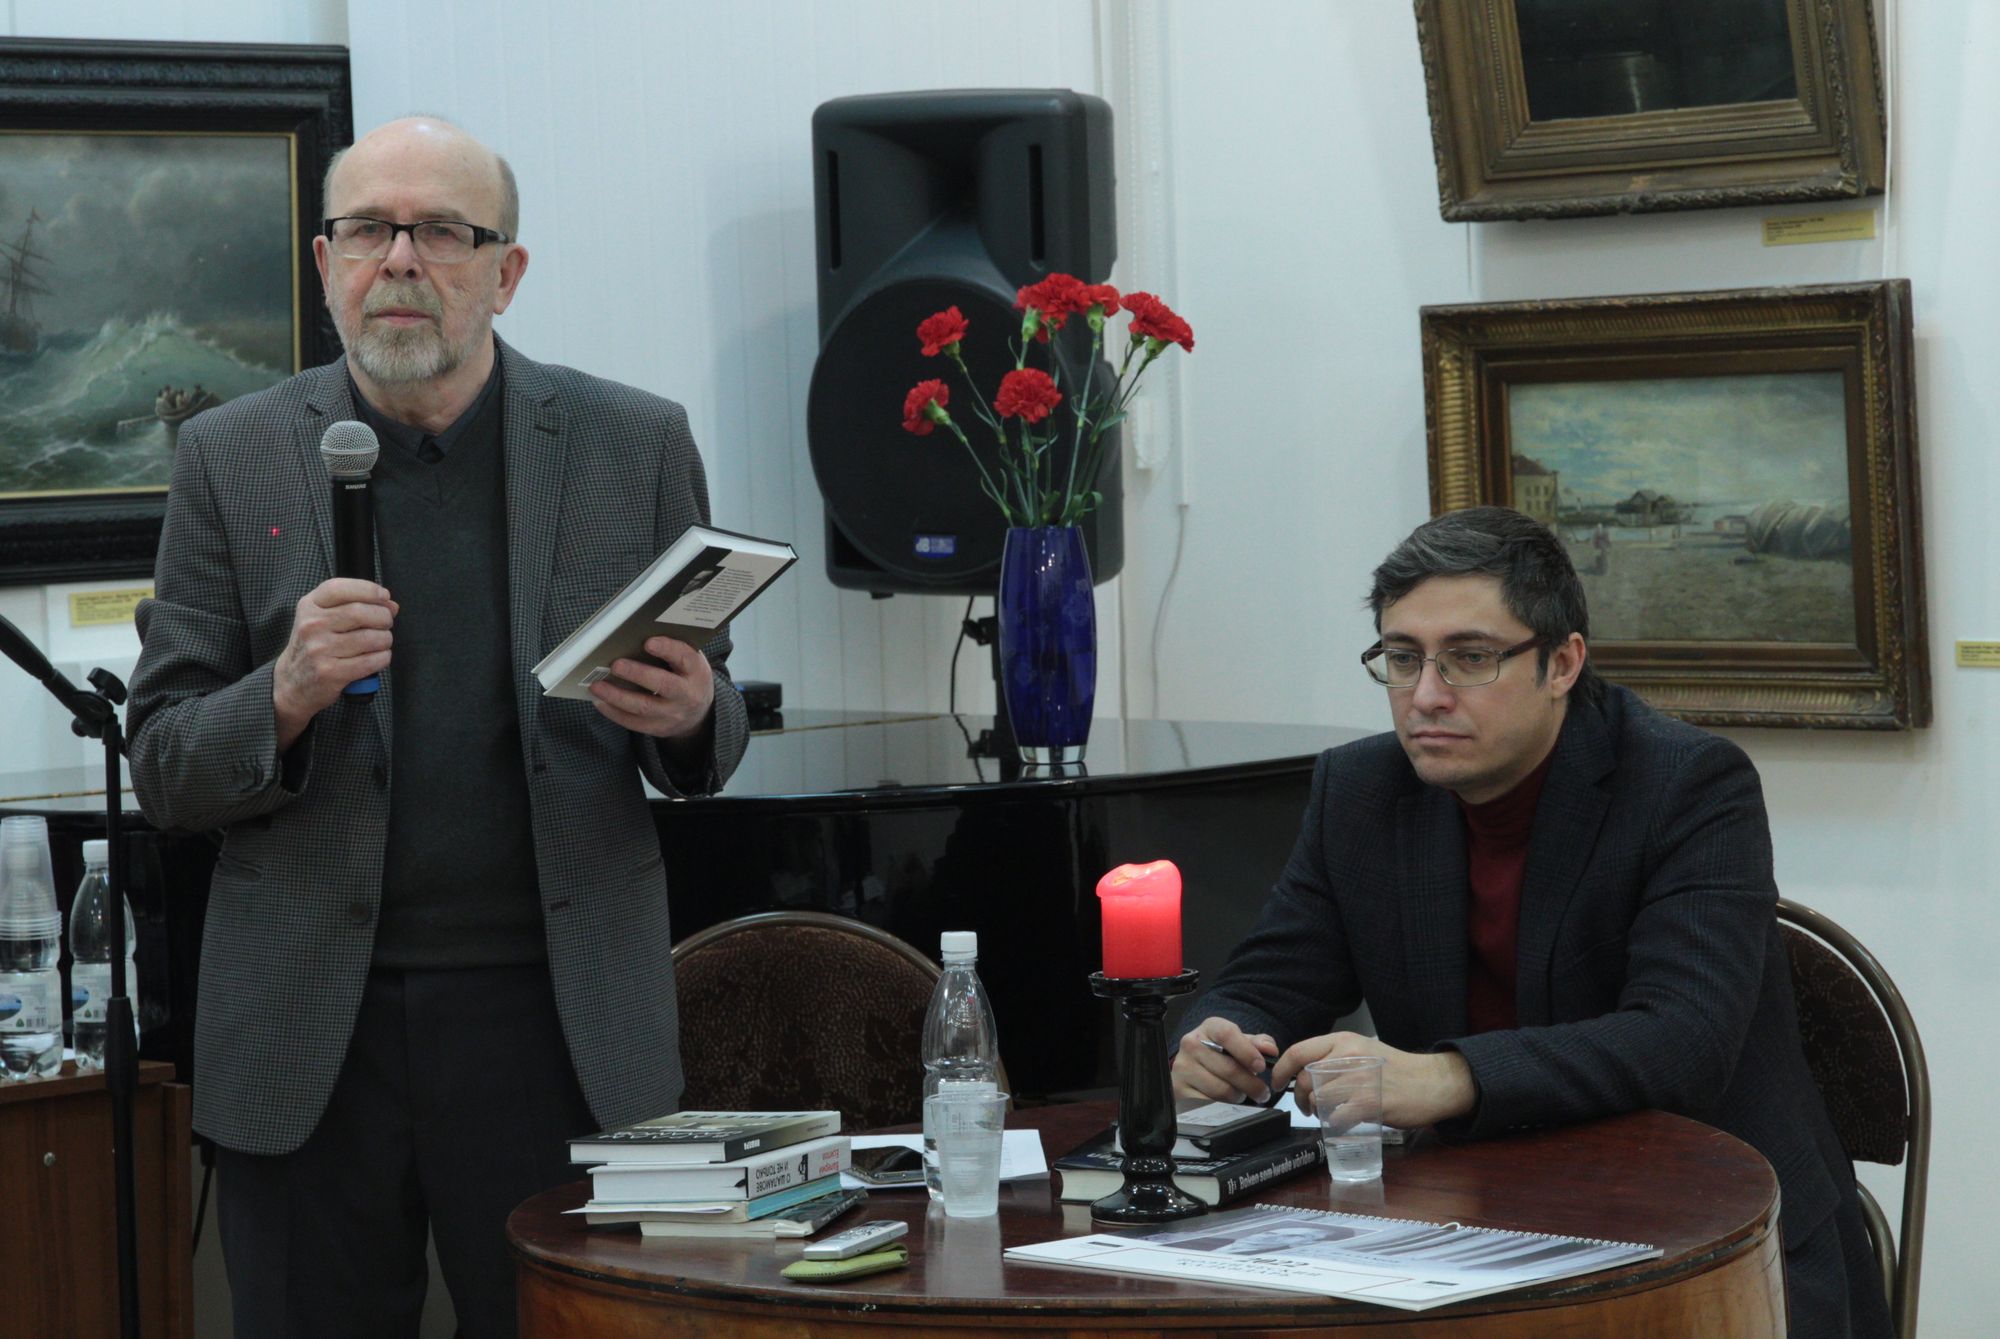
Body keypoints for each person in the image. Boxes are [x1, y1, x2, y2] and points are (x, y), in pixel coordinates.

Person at [126, 116, 747, 1339]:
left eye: (442, 232)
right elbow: (164, 766)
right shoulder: (230, 456)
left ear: (505, 272)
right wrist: (282, 692)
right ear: (326, 265)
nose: (399, 259)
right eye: (367, 230)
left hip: (555, 1024)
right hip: (311, 1028)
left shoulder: (632, 443)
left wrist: (689, 715)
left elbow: (708, 722)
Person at [1171, 506, 1890, 1339]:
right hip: (1466, 1227)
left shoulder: (1688, 785)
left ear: (1563, 663)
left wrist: (1446, 1079)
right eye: (1403, 658)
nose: (1426, 695)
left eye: (1470, 658)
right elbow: (1272, 979)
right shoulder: (1360, 792)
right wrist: (1219, 1040)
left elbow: (1684, 1039)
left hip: (1710, 1240)